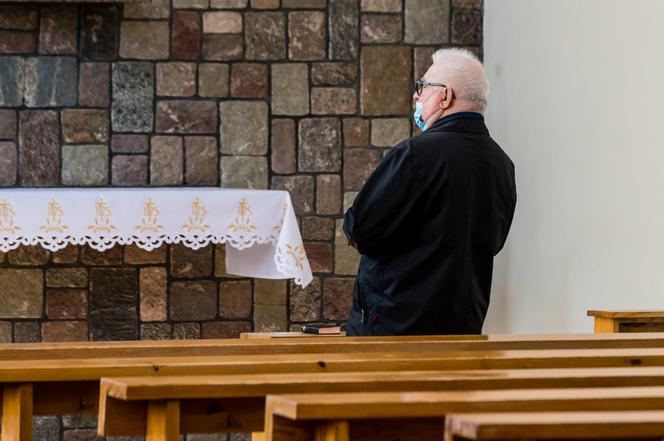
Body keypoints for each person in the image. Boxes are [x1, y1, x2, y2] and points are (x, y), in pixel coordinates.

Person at [343, 48, 517, 336]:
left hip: (396, 330)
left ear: (446, 96)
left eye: (422, 87)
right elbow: (493, 243)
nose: (416, 96)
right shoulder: (502, 164)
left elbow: (360, 228)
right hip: (463, 328)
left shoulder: (414, 155)